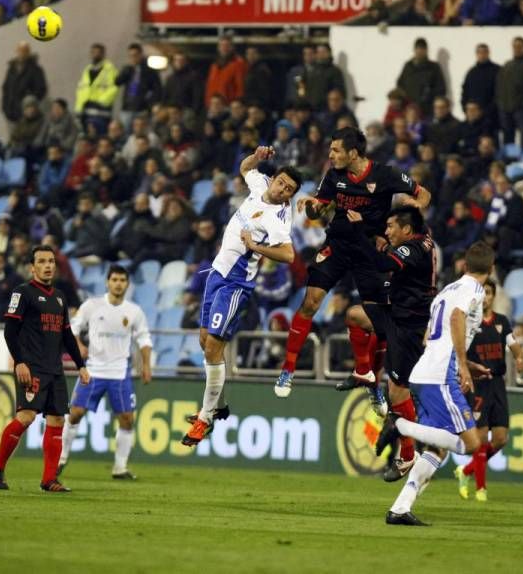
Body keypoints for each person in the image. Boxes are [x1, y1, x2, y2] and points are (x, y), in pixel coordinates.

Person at [275, 127, 430, 398]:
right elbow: (319, 208)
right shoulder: (334, 175)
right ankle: (288, 370)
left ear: (353, 153)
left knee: (374, 317)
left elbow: (423, 193)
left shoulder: (386, 174)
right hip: (338, 244)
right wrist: (311, 206)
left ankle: (372, 382)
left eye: (336, 150)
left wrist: (415, 209)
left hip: (370, 249)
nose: (331, 154)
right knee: (310, 301)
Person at [181, 146, 301, 446]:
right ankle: (218, 406)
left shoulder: (277, 219)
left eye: (289, 190)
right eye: (282, 183)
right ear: (273, 179)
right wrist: (257, 156)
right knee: (205, 341)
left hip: (236, 283)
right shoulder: (259, 184)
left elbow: (288, 254)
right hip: (216, 273)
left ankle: (204, 418)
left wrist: (256, 246)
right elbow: (246, 168)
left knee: (212, 348)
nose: (283, 189)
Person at [376, 241, 495, 526]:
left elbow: (429, 336)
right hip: (440, 377)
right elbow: (456, 318)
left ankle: (400, 509)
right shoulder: (474, 290)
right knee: (471, 444)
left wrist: (464, 363)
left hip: (425, 372)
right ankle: (399, 425)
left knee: (436, 449)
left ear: (465, 264)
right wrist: (461, 365)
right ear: (490, 270)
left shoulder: (447, 289)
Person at [337, 206, 436, 481]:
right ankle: (364, 371)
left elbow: (383, 265)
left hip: (409, 326)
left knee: (398, 392)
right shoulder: (422, 238)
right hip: (397, 314)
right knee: (355, 316)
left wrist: (360, 231)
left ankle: (407, 455)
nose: (388, 231)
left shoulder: (414, 249)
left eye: (392, 226)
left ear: (407, 230)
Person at [0, 245, 90, 492]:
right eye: (42, 261)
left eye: (51, 261)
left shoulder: (59, 297)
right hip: (31, 367)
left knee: (57, 420)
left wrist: (81, 365)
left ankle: (49, 479)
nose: (48, 265)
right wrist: (20, 361)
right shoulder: (22, 293)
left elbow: (66, 334)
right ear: (32, 267)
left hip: (54, 369)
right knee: (26, 417)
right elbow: (9, 331)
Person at [59, 265, 152, 479]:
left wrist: (146, 365)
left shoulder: (134, 311)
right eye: (115, 280)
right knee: (75, 414)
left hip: (119, 373)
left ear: (127, 284)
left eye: (122, 280)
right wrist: (78, 347)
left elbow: (144, 339)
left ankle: (120, 467)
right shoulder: (92, 306)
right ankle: (61, 458)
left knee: (127, 419)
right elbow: (71, 329)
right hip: (93, 370)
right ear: (107, 282)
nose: (118, 284)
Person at [455, 278, 523, 501]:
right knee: (482, 438)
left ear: (494, 296)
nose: (485, 297)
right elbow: (461, 354)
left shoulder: (502, 321)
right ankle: (481, 488)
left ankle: (465, 471)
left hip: (497, 383)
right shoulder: (470, 325)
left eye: (489, 292)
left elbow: (512, 343)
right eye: (482, 292)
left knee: (501, 438)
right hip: (478, 384)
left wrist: (520, 356)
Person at [495, 37, 523, 148]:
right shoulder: (506, 66)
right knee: (508, 139)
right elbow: (500, 86)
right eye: (515, 46)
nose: (517, 49)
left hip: (522, 109)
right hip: (505, 108)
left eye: (519, 46)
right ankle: (508, 161)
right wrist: (500, 103)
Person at [115, 43, 162, 132]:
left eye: (135, 55)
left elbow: (157, 89)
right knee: (125, 131)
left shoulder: (149, 71)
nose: (133, 58)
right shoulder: (128, 69)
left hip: (142, 109)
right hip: (127, 108)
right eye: (131, 56)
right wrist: (126, 71)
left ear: (140, 55)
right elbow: (117, 82)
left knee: (141, 131)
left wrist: (152, 103)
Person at [75, 43, 119, 135]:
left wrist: (102, 101)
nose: (94, 55)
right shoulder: (87, 70)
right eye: (93, 52)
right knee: (86, 136)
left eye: (97, 52)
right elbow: (81, 89)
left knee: (99, 136)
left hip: (101, 111)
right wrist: (79, 108)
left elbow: (114, 87)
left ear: (103, 54)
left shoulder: (110, 69)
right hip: (86, 110)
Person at [396, 38, 446, 118]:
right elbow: (400, 84)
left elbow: (441, 89)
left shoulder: (433, 68)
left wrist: (430, 100)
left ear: (426, 50)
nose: (420, 51)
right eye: (418, 48)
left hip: (427, 112)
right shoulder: (408, 66)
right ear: (414, 50)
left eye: (422, 49)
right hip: (409, 111)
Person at [1, 42, 47, 126]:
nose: (21, 53)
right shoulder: (11, 69)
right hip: (11, 112)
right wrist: (5, 107)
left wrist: (30, 103)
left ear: (28, 52)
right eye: (20, 50)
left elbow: (41, 89)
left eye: (24, 51)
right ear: (16, 51)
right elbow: (5, 88)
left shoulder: (36, 69)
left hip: (28, 113)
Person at [204, 36, 247, 108]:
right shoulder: (214, 65)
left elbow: (240, 86)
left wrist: (237, 104)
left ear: (232, 47)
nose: (224, 48)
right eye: (222, 45)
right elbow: (209, 86)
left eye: (227, 45)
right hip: (214, 106)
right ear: (218, 48)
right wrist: (208, 104)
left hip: (229, 105)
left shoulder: (239, 63)